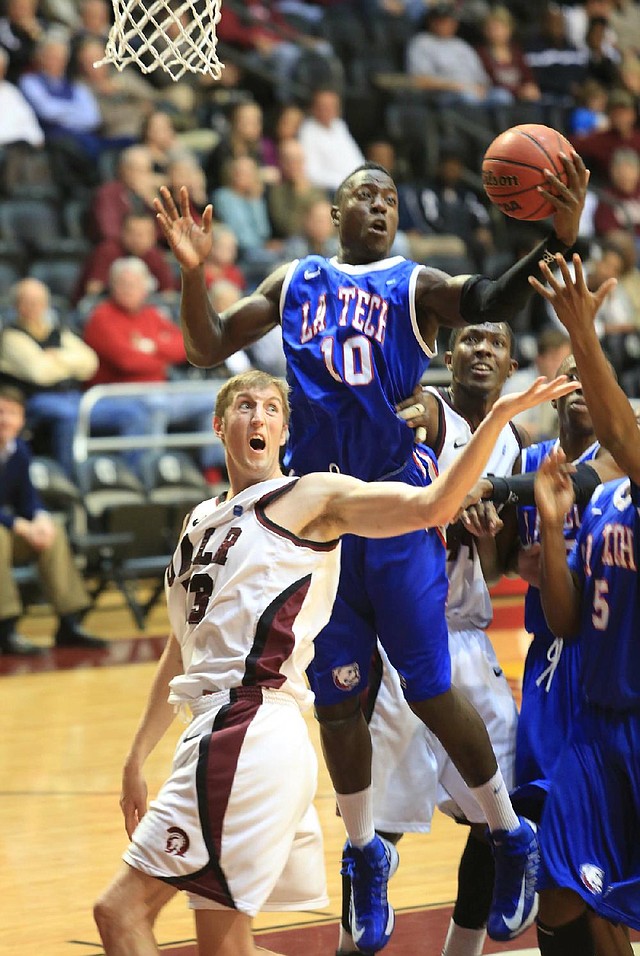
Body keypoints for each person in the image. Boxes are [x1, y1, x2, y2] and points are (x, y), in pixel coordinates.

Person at [154, 153, 587, 950]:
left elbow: (487, 299)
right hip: (318, 520)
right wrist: (191, 273)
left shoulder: (412, 284)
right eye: (365, 194)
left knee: (428, 685)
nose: (380, 205)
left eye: (389, 196)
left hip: (392, 506)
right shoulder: (294, 282)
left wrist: (551, 238)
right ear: (335, 207)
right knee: (340, 698)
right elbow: (209, 345)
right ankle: (362, 856)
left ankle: (507, 832)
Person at [92, 368, 578, 956]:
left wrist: (498, 417)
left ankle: (492, 835)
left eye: (273, 408)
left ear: (283, 431)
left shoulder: (309, 497)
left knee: (118, 911)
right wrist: (135, 755)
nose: (261, 417)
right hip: (220, 731)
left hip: (249, 729)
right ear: (221, 426)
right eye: (246, 406)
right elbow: (181, 645)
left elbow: (433, 503)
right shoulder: (200, 521)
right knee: (227, 947)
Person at [337, 320, 524, 956]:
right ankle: (349, 943)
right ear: (447, 354)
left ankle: (462, 950)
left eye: (496, 344)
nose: (482, 351)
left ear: (510, 363)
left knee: (497, 808)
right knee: (378, 827)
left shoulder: (513, 440)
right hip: (399, 636)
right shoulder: (424, 409)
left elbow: (496, 571)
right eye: (471, 339)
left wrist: (486, 530)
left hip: (468, 637)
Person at [527, 252, 640, 954]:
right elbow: (566, 621)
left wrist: (583, 333)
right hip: (595, 727)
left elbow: (620, 435)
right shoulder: (605, 501)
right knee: (563, 896)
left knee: (615, 900)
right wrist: (549, 521)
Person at [0, 384, 107, 655]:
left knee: (54, 530)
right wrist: (18, 525)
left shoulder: (19, 450)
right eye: (0, 412)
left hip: (8, 532)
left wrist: (39, 518)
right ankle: (6, 627)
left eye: (11, 413)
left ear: (22, 420)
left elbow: (27, 499)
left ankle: (68, 622)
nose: (4, 419)